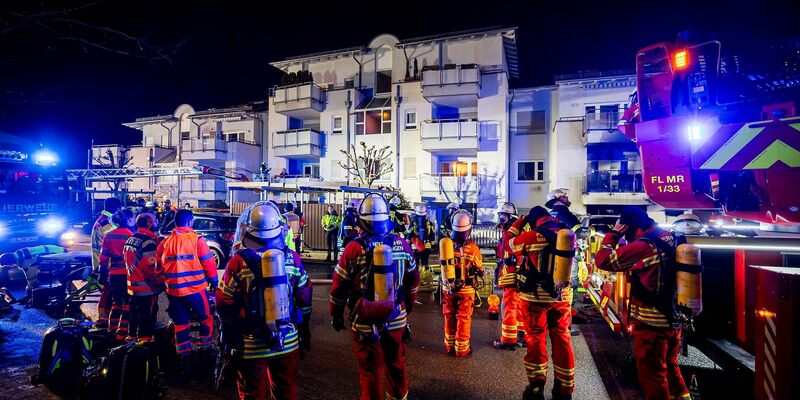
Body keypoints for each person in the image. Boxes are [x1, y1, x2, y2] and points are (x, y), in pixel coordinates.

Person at [329, 193, 420, 400]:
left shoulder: (354, 248)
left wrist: (336, 314)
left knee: (370, 371)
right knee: (396, 364)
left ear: (362, 220)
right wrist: (406, 308)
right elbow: (413, 282)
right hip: (396, 316)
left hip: (365, 320)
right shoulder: (401, 244)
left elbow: (339, 287)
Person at [217, 203, 312, 400]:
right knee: (286, 389)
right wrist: (304, 328)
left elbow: (224, 301)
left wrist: (232, 330)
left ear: (250, 229)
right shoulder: (291, 258)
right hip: (287, 340)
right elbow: (304, 295)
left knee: (252, 392)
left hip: (251, 344)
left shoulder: (238, 261)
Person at [594, 207, 691, 400]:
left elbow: (603, 260)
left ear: (630, 227)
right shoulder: (671, 238)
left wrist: (613, 236)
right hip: (673, 319)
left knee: (652, 375)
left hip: (651, 324)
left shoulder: (644, 246)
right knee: (670, 365)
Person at [505, 206, 575, 400]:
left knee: (535, 339)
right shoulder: (567, 236)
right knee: (562, 339)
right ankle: (564, 390)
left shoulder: (530, 237)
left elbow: (507, 245)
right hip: (561, 298)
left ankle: (536, 386)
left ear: (533, 221)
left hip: (534, 300)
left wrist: (519, 222)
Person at [156, 209, 218, 374]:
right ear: (190, 221)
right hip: (195, 290)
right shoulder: (197, 239)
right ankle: (205, 350)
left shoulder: (165, 243)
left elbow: (158, 269)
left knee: (181, 324)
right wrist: (214, 281)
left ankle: (185, 358)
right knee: (206, 318)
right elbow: (209, 262)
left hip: (174, 292)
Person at [441, 209, 483, 357]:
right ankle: (462, 349)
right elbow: (479, 267)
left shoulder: (445, 245)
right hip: (466, 290)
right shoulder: (473, 248)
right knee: (463, 318)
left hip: (448, 288)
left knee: (449, 316)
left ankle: (449, 346)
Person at [546, 188, 582, 336]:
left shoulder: (550, 214)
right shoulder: (564, 213)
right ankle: (565, 326)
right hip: (567, 258)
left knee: (554, 291)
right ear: (557, 198)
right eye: (564, 195)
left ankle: (552, 323)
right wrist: (593, 230)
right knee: (568, 291)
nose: (567, 197)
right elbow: (580, 232)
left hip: (553, 259)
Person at [122, 212, 163, 342]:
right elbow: (150, 269)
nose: (157, 223)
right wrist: (161, 282)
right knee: (146, 317)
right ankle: (145, 343)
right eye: (155, 221)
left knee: (134, 314)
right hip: (146, 289)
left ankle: (132, 339)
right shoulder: (148, 242)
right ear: (149, 224)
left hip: (133, 287)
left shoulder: (131, 238)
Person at [99, 208, 136, 341]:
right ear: (128, 220)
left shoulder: (109, 235)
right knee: (127, 303)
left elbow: (103, 257)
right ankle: (122, 332)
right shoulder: (131, 236)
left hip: (113, 274)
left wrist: (102, 272)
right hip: (127, 274)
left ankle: (112, 328)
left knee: (116, 301)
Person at [492, 202, 525, 350]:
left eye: (504, 216)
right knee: (518, 306)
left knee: (509, 307)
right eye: (501, 215)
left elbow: (519, 254)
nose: (501, 219)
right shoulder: (510, 231)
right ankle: (521, 337)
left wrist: (517, 274)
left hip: (512, 275)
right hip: (512, 274)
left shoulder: (515, 233)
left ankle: (508, 340)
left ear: (511, 217)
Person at [92, 197, 121, 330]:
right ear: (116, 208)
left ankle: (106, 317)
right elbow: (114, 242)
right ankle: (103, 319)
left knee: (109, 291)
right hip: (107, 263)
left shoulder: (102, 220)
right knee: (108, 292)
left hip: (101, 261)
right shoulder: (108, 224)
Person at [409, 203, 436, 271]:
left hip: (416, 246)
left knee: (416, 261)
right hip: (427, 245)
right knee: (425, 261)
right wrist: (433, 245)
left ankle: (416, 273)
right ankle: (426, 273)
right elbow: (432, 234)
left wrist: (408, 243)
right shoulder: (429, 223)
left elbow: (409, 234)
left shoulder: (413, 223)